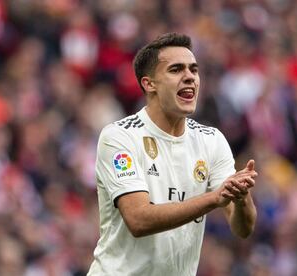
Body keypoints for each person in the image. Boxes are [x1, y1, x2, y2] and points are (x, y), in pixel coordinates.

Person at [87, 33, 257, 276]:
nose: (189, 77)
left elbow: (242, 229)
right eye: (176, 70)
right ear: (149, 84)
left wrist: (241, 198)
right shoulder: (119, 137)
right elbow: (138, 219)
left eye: (194, 70)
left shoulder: (211, 140)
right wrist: (214, 198)